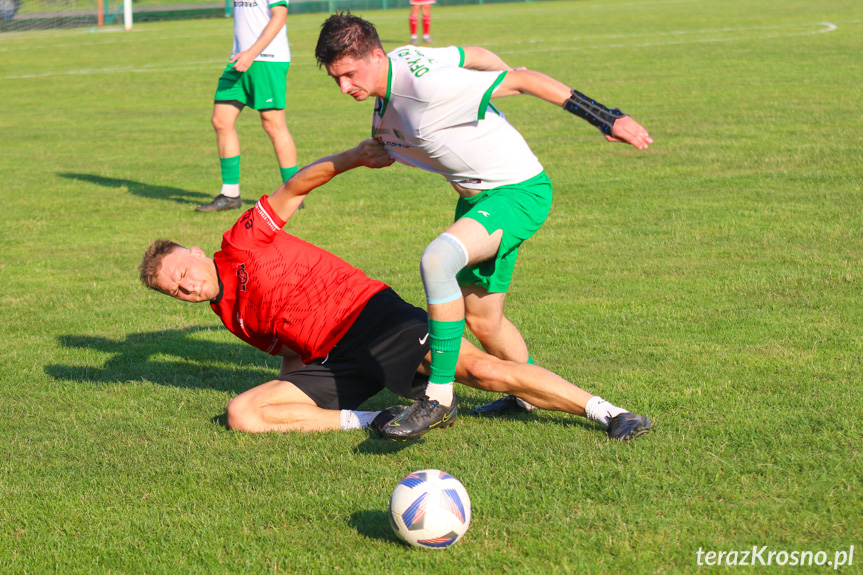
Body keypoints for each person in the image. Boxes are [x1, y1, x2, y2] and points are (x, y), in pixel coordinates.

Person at [139, 141, 653, 441]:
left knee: (478, 371)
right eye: (175, 290)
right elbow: (291, 351)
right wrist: (292, 394)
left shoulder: (242, 240)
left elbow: (295, 187)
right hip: (336, 362)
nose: (185, 285)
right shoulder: (231, 318)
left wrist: (355, 157)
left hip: (374, 320)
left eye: (182, 270)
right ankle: (376, 417)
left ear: (197, 253)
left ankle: (607, 412)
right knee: (242, 413)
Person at [314, 14, 654, 439]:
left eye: (349, 74)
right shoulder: (406, 60)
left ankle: (438, 398)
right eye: (336, 79)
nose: (345, 87)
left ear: (376, 55)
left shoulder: (427, 88)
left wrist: (608, 118)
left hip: (517, 194)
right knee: (484, 321)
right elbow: (473, 55)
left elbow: (524, 80)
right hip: (477, 200)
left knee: (437, 260)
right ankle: (528, 394)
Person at [196, 0, 299, 212]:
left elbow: (279, 16)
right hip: (239, 59)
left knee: (273, 124)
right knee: (221, 121)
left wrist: (252, 53)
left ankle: (294, 193)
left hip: (266, 60)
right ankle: (230, 194)